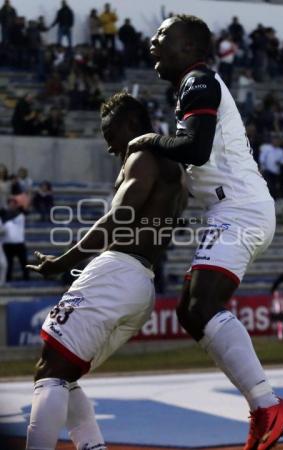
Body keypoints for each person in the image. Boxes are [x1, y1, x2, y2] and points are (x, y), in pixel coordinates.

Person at [127, 15, 283, 450]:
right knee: (188, 309)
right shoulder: (193, 85)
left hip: (238, 208)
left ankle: (267, 404)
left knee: (202, 304)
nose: (153, 43)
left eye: (163, 36)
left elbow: (196, 148)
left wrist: (147, 141)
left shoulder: (198, 81)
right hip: (230, 208)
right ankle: (263, 404)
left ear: (188, 46)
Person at [25, 92, 187, 450]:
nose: (111, 148)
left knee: (50, 370)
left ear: (130, 124)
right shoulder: (174, 164)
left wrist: (63, 262)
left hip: (117, 271)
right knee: (65, 375)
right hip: (141, 285)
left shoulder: (143, 155)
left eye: (110, 136)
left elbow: (119, 218)